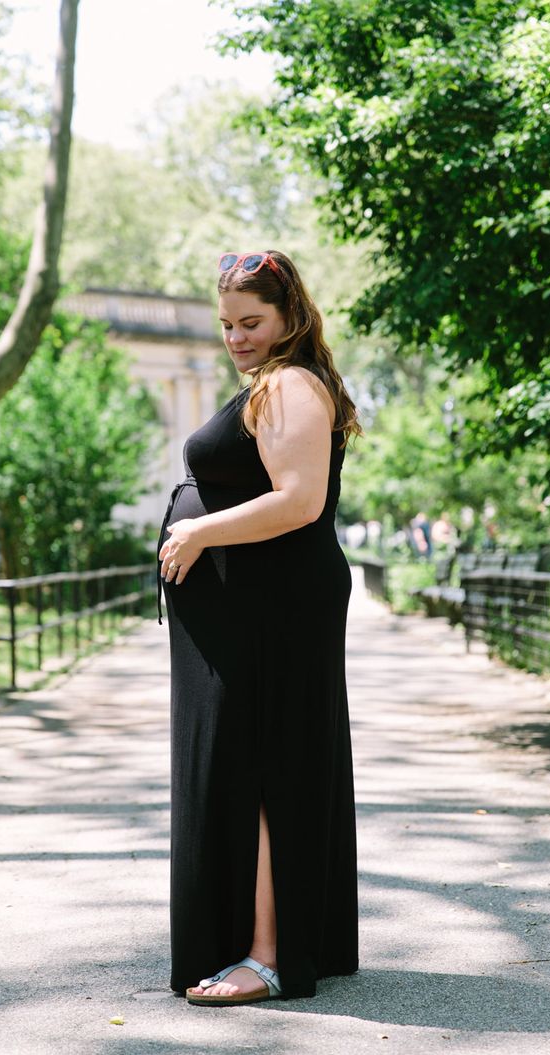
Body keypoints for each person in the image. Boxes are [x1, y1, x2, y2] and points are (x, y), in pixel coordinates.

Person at [157, 250, 363, 1006]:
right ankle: (268, 941)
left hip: (274, 609)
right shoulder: (272, 384)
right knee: (251, 764)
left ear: (289, 318)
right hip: (250, 610)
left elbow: (300, 500)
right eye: (227, 325)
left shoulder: (290, 383)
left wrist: (198, 535)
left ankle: (270, 956)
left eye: (252, 322)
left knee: (270, 769)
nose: (237, 337)